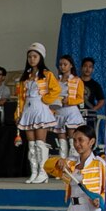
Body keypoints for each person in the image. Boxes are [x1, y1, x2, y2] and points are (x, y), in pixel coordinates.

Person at [16, 43, 61, 184]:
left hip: (40, 108)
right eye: (29, 56)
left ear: (40, 57)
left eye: (35, 56)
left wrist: (45, 100)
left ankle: (43, 172)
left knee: (40, 143)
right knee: (31, 144)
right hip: (28, 110)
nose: (32, 59)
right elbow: (20, 98)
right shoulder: (26, 77)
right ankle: (34, 171)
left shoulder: (47, 74)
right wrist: (19, 114)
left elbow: (56, 89)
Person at [51, 54, 86, 158]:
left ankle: (73, 163)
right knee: (61, 141)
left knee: (72, 139)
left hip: (71, 111)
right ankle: (62, 166)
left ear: (71, 65)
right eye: (60, 64)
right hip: (59, 111)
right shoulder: (56, 81)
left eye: (65, 64)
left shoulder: (77, 80)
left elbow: (80, 98)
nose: (62, 67)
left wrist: (69, 100)